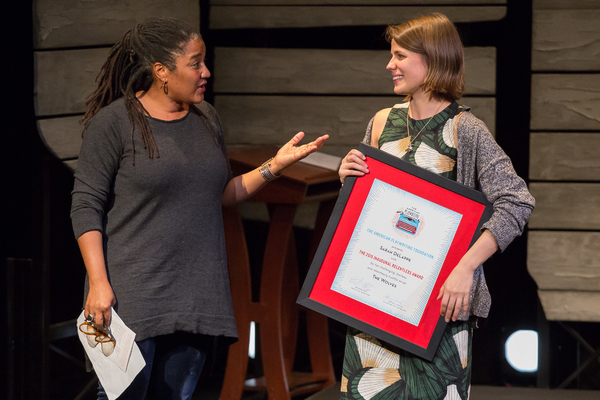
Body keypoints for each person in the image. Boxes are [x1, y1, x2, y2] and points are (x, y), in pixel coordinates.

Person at [70, 17, 328, 400]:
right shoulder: (114, 125)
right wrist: (99, 284)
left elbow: (217, 195)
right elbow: (85, 204)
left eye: (204, 61)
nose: (205, 72)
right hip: (132, 299)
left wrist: (274, 166)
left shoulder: (206, 118)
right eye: (195, 63)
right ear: (161, 71)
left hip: (196, 299)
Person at [337, 13, 534, 399]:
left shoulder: (466, 129)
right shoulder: (381, 123)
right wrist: (347, 177)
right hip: (375, 300)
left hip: (438, 309)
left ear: (431, 60)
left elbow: (516, 201)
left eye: (399, 56)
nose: (389, 65)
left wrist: (467, 266)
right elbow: (368, 209)